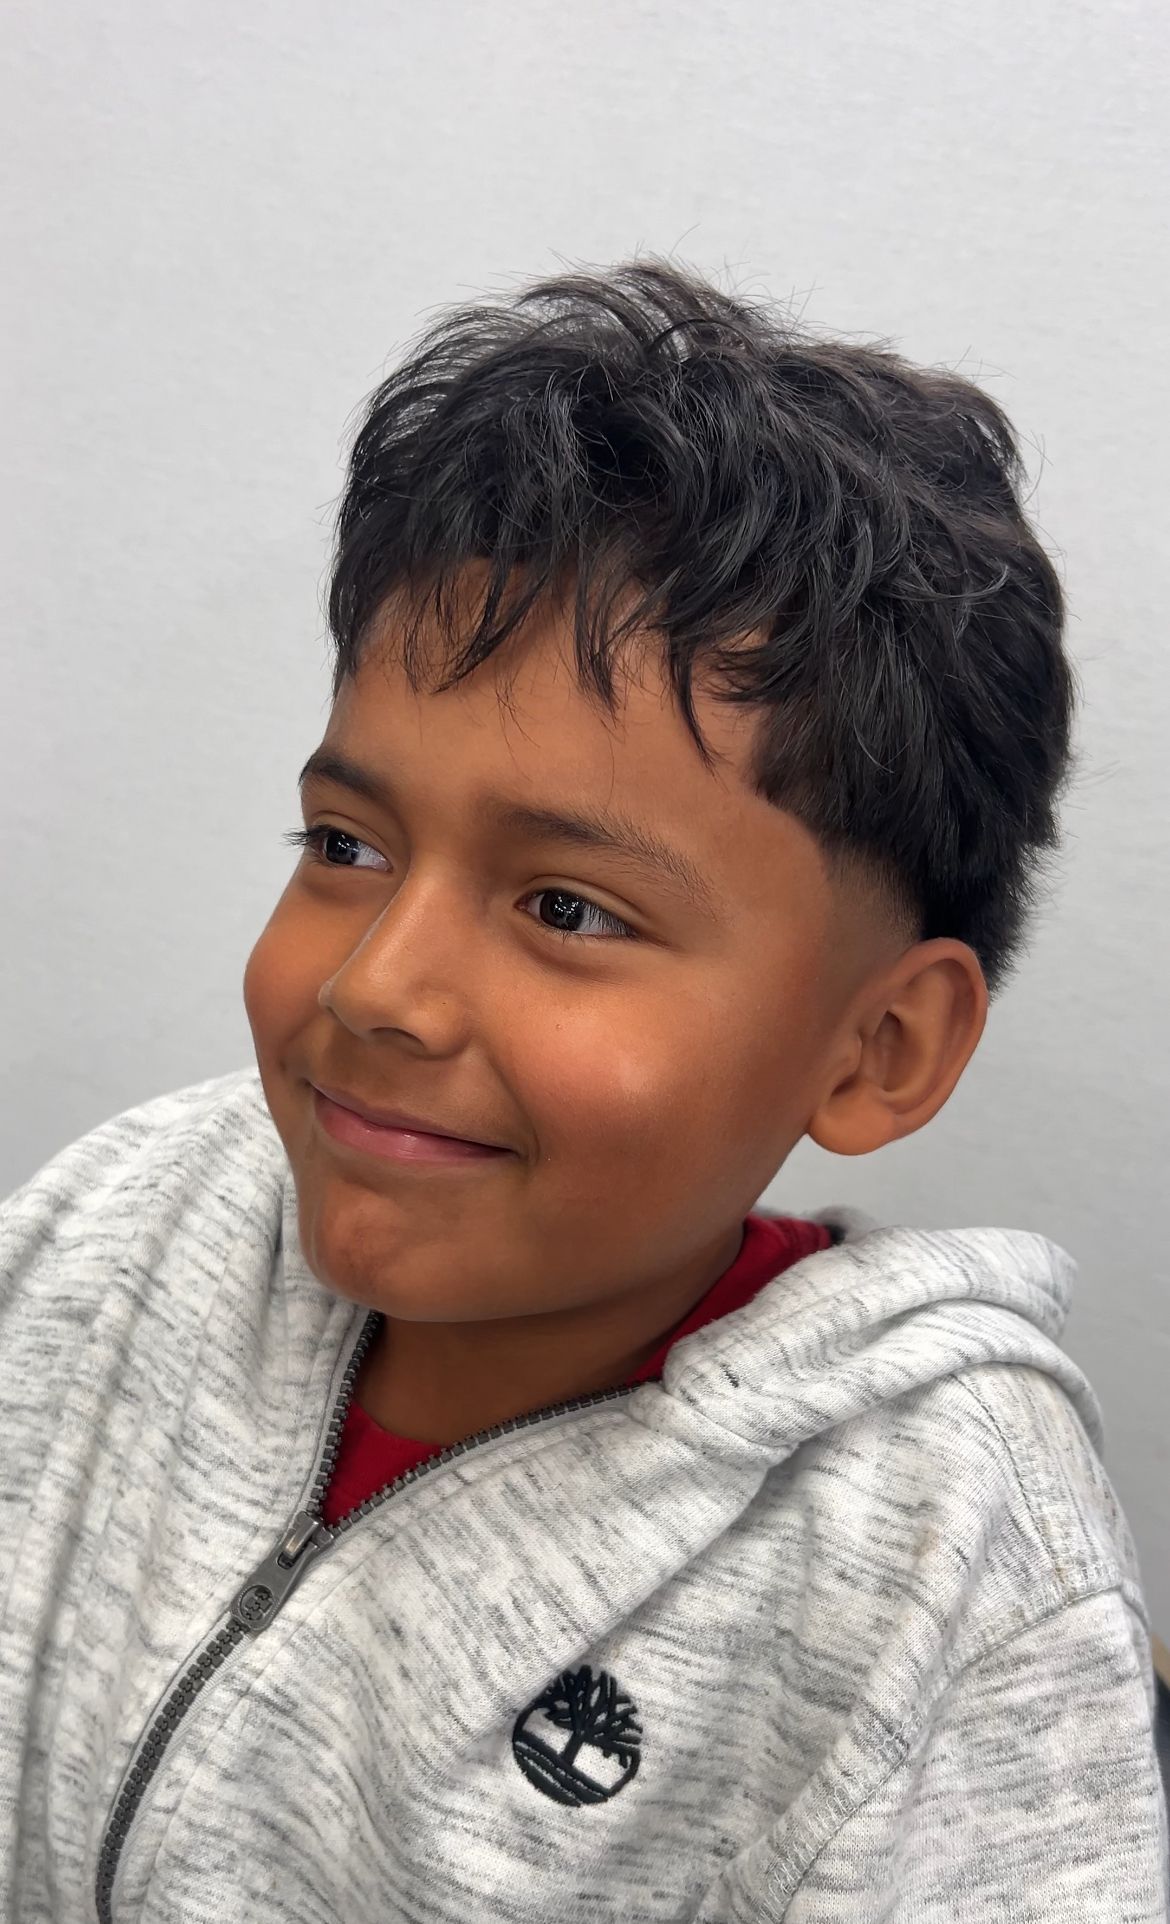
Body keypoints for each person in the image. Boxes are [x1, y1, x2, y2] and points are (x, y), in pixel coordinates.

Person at [1, 257, 1165, 1924]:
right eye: (346, 846)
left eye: (568, 909)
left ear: (876, 1049)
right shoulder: (119, 1228)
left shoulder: (929, 1570)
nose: (374, 987)